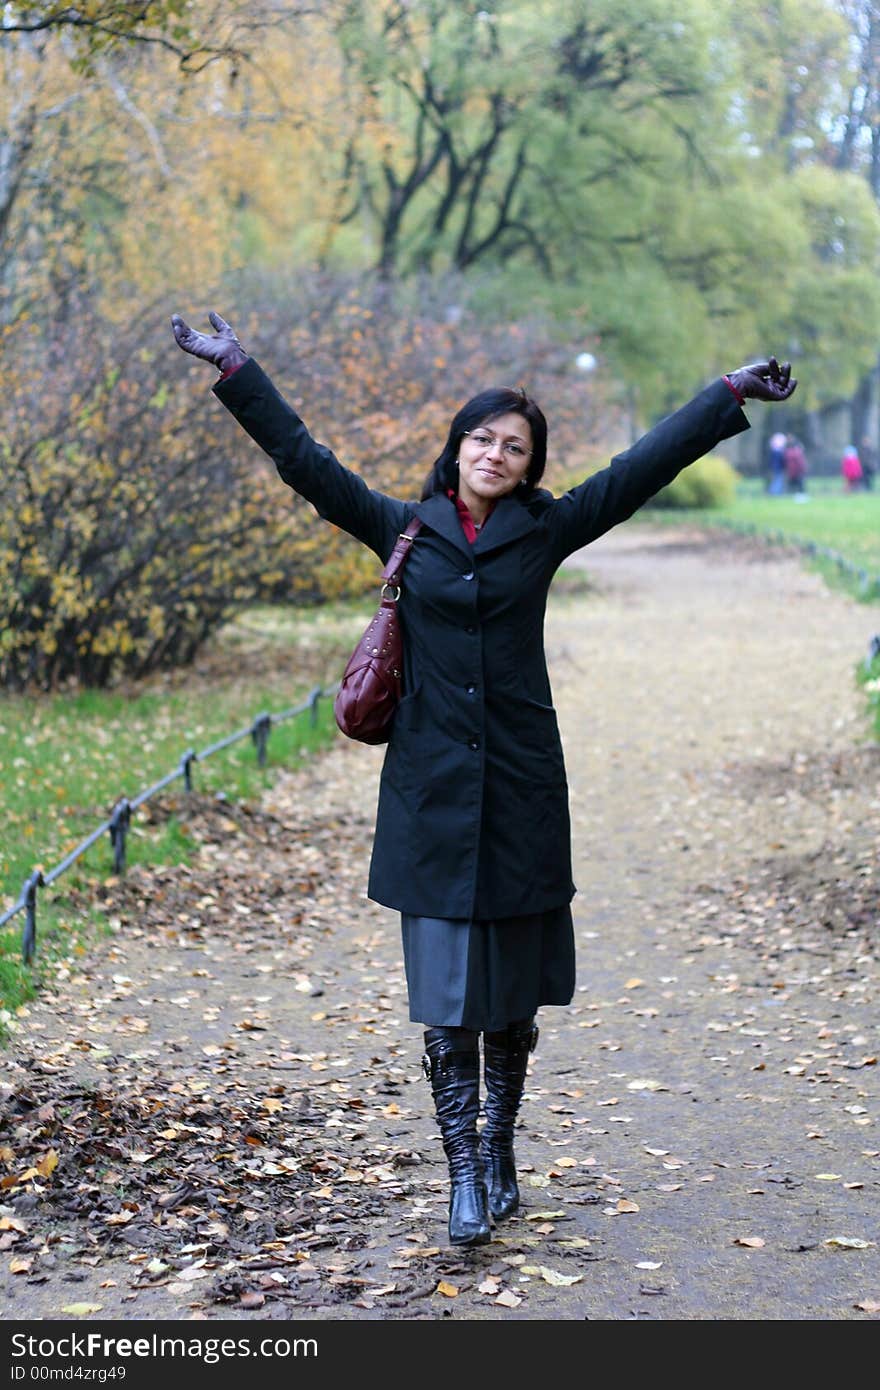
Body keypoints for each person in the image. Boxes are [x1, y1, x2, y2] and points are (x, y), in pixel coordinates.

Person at [171, 311, 797, 1247]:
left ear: (529, 466)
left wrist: (727, 395)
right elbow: (303, 459)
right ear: (457, 446)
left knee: (508, 997)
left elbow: (638, 469)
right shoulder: (402, 529)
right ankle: (461, 1168)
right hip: (429, 797)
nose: (496, 454)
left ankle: (499, 1140)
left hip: (519, 793)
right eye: (483, 438)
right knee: (444, 997)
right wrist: (237, 370)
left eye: (515, 447)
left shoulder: (545, 534)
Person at [768, 430, 787, 494]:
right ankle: (774, 492)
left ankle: (775, 492)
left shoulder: (774, 450)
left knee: (777, 480)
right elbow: (781, 461)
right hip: (778, 468)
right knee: (778, 480)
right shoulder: (778, 451)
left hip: (775, 468)